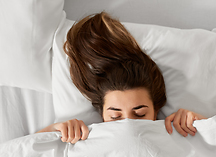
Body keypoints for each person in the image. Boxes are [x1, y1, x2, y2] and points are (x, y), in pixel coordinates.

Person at [38, 12, 206, 143]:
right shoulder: (83, 140)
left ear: (155, 111)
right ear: (102, 116)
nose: (128, 126)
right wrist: (53, 132)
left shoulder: (178, 135)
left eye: (140, 114)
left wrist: (205, 125)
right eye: (115, 117)